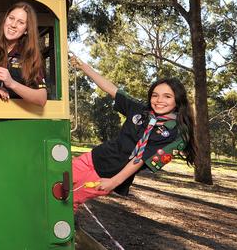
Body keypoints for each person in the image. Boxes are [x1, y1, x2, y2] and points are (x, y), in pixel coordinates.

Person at [69, 54, 196, 212]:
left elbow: (141, 159)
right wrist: (84, 66)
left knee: (67, 202)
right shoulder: (140, 110)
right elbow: (112, 89)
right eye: (155, 95)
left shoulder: (175, 135)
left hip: (108, 173)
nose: (159, 100)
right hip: (93, 157)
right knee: (53, 184)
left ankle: (58, 235)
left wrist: (113, 182)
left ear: (178, 100)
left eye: (167, 96)